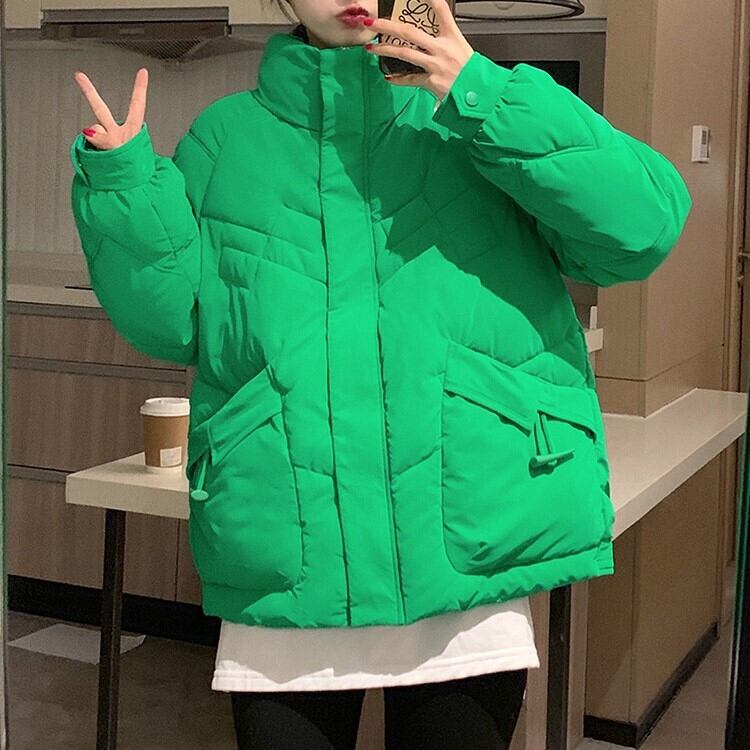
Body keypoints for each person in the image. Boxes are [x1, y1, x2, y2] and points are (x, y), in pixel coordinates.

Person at [69, 0, 692, 747]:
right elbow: (173, 324)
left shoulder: (472, 116)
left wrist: (482, 91)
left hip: (467, 559)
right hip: (290, 558)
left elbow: (641, 232)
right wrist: (124, 186)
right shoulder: (225, 139)